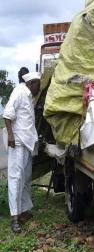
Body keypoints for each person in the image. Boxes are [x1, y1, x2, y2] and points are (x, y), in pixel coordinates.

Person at [3, 71, 41, 233]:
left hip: (27, 143)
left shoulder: (28, 96)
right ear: (31, 83)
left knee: (25, 177)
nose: (38, 89)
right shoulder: (19, 92)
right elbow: (7, 114)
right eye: (38, 86)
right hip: (17, 142)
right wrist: (10, 136)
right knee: (15, 178)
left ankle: (24, 210)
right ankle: (14, 218)